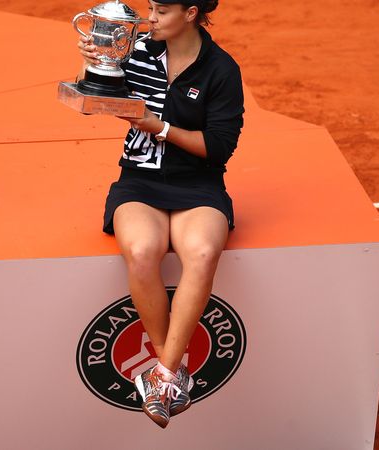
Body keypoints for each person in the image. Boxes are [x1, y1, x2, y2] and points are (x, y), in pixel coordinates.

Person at [78, 0, 243, 428]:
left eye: (161, 12)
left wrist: (160, 127)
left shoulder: (221, 70)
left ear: (190, 13)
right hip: (139, 181)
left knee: (203, 253)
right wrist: (98, 69)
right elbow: (101, 97)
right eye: (151, 8)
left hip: (199, 184)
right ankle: (168, 373)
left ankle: (164, 375)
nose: (150, 19)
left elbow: (219, 147)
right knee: (143, 249)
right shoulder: (138, 51)